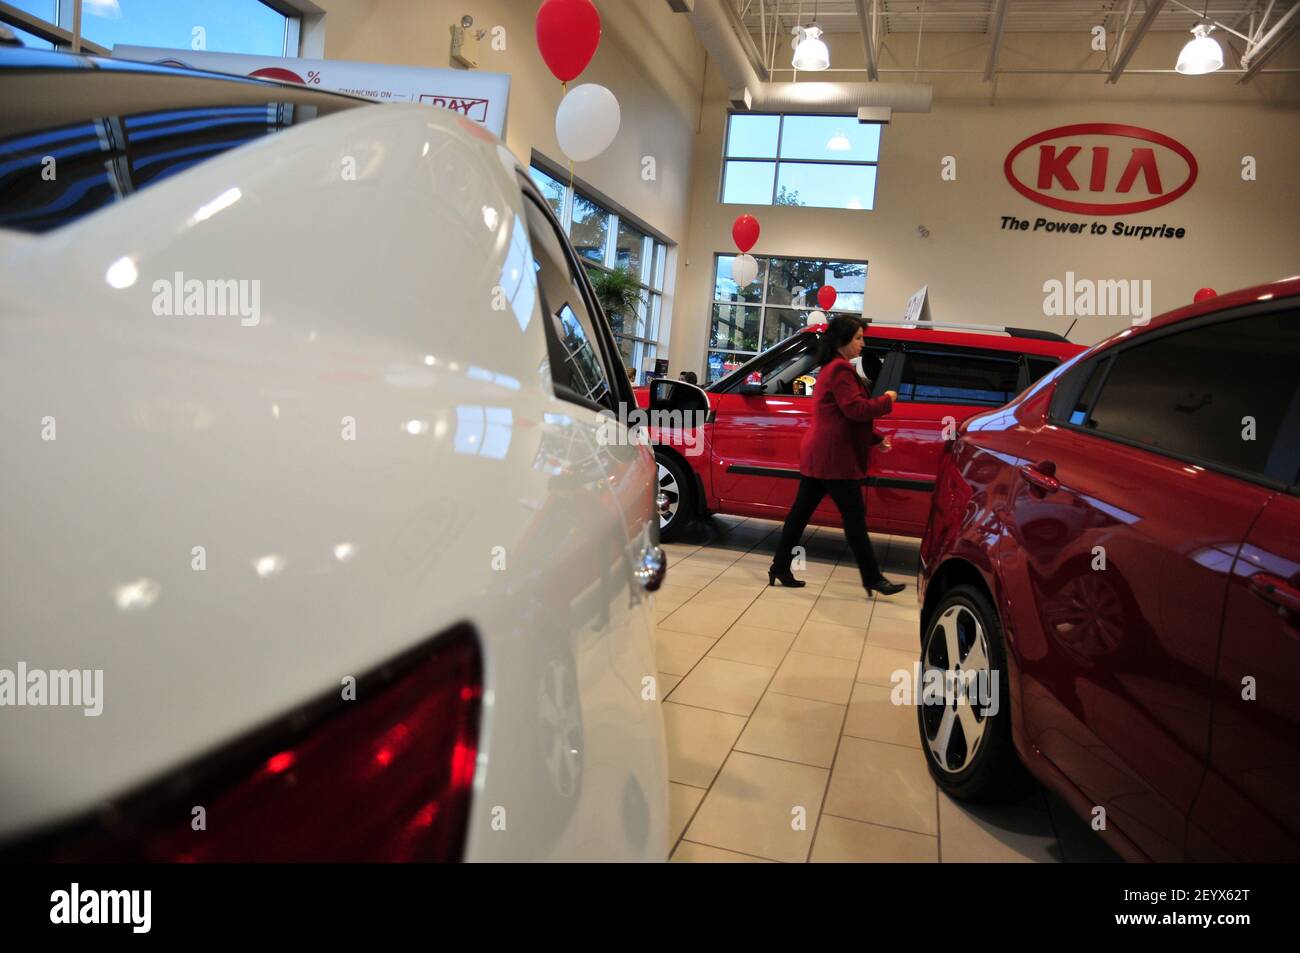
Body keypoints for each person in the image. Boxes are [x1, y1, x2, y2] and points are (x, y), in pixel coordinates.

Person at [768, 314, 905, 596]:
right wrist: (887, 401)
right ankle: (873, 578)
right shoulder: (840, 371)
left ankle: (780, 567)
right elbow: (855, 410)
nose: (862, 344)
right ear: (843, 340)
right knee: (854, 521)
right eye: (858, 338)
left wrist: (876, 438)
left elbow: (842, 418)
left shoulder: (833, 368)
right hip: (833, 460)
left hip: (823, 455)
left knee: (800, 515)